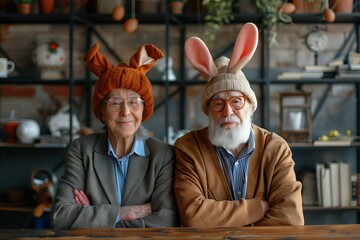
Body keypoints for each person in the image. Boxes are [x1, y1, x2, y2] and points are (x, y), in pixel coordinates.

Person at [173, 22, 304, 227]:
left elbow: (290, 219)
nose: (227, 111)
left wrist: (220, 219)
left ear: (250, 106)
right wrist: (259, 208)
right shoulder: (188, 148)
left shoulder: (276, 149)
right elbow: (194, 216)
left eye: (236, 101)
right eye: (218, 103)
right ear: (208, 111)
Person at [51, 43, 180, 228]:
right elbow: (60, 216)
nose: (125, 111)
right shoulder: (82, 150)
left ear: (144, 110)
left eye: (134, 102)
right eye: (115, 102)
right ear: (102, 113)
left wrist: (95, 217)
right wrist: (125, 212)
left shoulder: (163, 154)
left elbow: (167, 220)